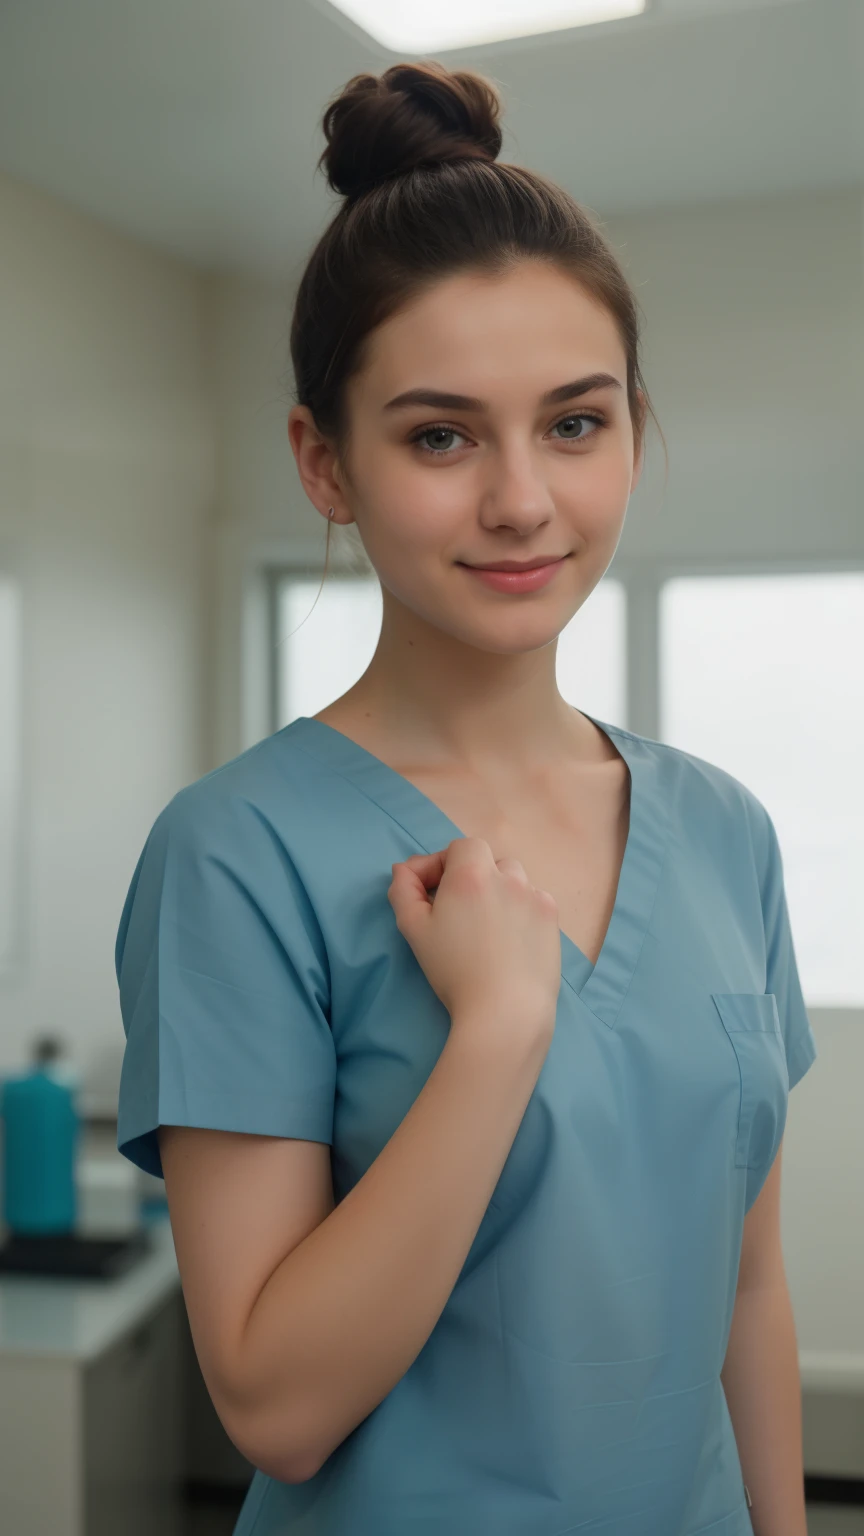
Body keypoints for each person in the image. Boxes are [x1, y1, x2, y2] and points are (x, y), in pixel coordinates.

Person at [114, 60, 818, 1536]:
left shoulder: (726, 833)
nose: (521, 500)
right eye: (441, 436)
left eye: (575, 423)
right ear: (328, 463)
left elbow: (744, 1288)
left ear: (633, 427)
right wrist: (496, 1034)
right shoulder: (238, 855)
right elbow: (275, 1404)